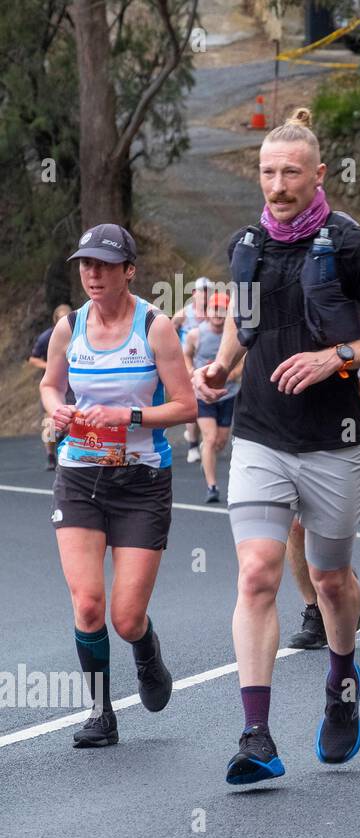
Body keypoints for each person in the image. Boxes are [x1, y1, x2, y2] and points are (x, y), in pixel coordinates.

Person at [194, 108, 360, 784]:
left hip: (333, 440)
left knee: (329, 579)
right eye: (267, 171)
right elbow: (246, 320)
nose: (277, 184)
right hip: (261, 434)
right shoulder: (247, 245)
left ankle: (342, 679)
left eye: (291, 171)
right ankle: (256, 735)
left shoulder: (350, 245)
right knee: (258, 573)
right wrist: (222, 366)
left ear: (318, 174)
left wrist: (338, 358)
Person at [41, 224, 197, 748]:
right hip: (80, 476)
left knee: (125, 617)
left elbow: (186, 406)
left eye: (104, 265)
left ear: (129, 270)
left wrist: (127, 414)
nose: (92, 274)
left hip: (141, 481)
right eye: (85, 264)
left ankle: (145, 650)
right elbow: (49, 383)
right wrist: (57, 410)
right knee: (88, 604)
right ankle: (100, 713)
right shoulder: (71, 327)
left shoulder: (154, 328)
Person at [183, 291, 239, 502]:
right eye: (215, 309)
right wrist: (190, 371)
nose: (218, 313)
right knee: (211, 437)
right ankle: (212, 486)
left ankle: (207, 455)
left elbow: (244, 357)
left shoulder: (234, 333)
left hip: (228, 393)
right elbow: (186, 354)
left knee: (220, 442)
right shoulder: (196, 334)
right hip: (203, 395)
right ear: (208, 311)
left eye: (223, 310)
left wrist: (232, 374)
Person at [172, 277, 213, 464]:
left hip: (208, 365)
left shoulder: (215, 313)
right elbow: (169, 330)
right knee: (193, 402)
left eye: (207, 291)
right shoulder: (184, 314)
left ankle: (208, 439)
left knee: (207, 401)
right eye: (201, 291)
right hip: (188, 365)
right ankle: (194, 446)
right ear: (194, 293)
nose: (204, 295)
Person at [30, 304, 74, 470]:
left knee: (73, 420)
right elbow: (33, 359)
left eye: (68, 319)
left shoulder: (81, 334)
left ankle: (69, 454)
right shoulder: (47, 337)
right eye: (61, 320)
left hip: (74, 387)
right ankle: (50, 455)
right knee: (50, 420)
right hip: (54, 386)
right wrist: (50, 366)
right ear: (55, 321)